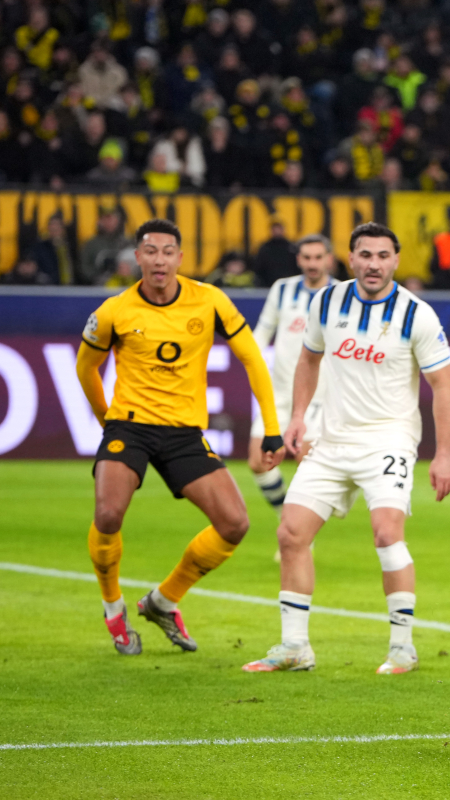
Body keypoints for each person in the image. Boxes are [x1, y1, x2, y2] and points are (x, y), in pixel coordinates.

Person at [243, 223, 450, 676]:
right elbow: (309, 360)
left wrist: (443, 454)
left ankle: (402, 648)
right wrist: (298, 417)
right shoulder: (326, 301)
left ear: (396, 260)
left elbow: (443, 386)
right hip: (331, 439)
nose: (374, 264)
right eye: (365, 255)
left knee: (386, 533)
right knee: (291, 533)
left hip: (388, 439)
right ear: (351, 258)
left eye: (382, 255)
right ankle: (295, 647)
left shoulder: (416, 314)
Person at [75, 219, 284, 656]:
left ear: (180, 257)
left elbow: (252, 359)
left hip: (184, 432)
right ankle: (113, 608)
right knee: (108, 514)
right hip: (129, 426)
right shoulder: (114, 311)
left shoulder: (209, 300)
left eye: (168, 252)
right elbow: (85, 367)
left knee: (234, 523)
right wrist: (106, 420)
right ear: (138, 257)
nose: (159, 260)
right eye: (151, 251)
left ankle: (163, 601)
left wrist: (271, 428)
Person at [249, 235, 337, 523]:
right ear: (298, 259)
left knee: (306, 465)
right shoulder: (282, 289)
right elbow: (263, 332)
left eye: (318, 257)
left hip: (319, 395)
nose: (312, 264)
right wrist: (251, 358)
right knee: (258, 461)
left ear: (328, 259)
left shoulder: (342, 294)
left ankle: (299, 531)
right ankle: (286, 518)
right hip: (279, 392)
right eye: (307, 257)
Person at [79, 206, 132, 285]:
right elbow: (83, 268)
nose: (109, 222)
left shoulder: (127, 243)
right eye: (106, 219)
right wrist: (99, 276)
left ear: (118, 221)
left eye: (112, 219)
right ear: (99, 221)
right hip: (98, 288)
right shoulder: (91, 245)